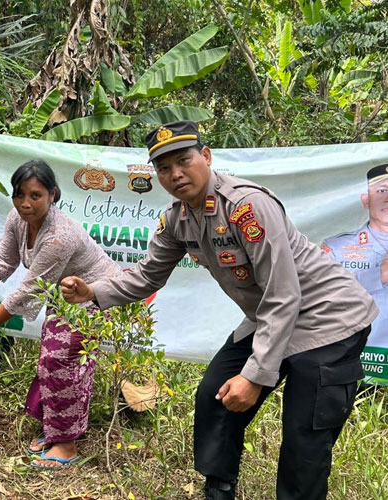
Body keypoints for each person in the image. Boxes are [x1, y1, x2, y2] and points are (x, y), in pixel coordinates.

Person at [61, 121, 377, 499]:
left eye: (184, 160)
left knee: (304, 434)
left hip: (329, 320)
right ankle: (219, 488)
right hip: (273, 318)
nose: (175, 174)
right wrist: (92, 291)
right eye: (163, 168)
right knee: (216, 394)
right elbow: (147, 275)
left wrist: (256, 375)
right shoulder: (177, 219)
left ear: (206, 157)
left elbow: (283, 293)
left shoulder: (247, 206)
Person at [0, 160, 120, 469]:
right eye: (19, 194)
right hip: (65, 293)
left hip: (97, 295)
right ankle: (54, 429)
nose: (26, 203)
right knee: (49, 359)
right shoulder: (18, 218)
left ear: (52, 194)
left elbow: (27, 291)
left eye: (35, 196)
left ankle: (66, 444)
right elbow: (2, 262)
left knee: (64, 362)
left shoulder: (59, 237)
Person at [323, 164, 388, 364]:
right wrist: (377, 275)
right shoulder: (336, 247)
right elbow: (320, 293)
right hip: (360, 362)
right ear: (365, 200)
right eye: (382, 190)